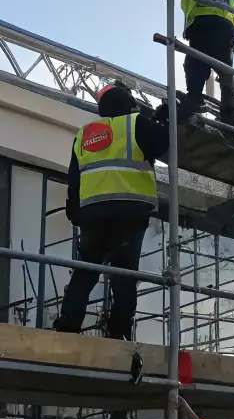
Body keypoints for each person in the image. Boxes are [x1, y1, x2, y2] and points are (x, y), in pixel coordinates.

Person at [54, 81, 169, 342]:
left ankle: (67, 328)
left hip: (93, 213)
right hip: (129, 211)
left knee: (85, 272)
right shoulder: (135, 123)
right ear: (129, 105)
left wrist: (74, 209)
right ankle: (119, 333)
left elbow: (74, 178)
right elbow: (163, 143)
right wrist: (166, 120)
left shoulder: (84, 134)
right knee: (124, 274)